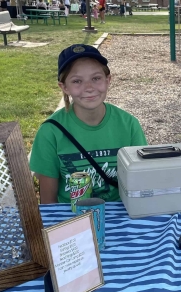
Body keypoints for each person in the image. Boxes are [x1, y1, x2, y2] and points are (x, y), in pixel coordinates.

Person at [30, 44, 147, 204]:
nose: (89, 88)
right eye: (77, 81)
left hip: (122, 213)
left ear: (108, 80)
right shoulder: (50, 132)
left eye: (96, 78)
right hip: (72, 219)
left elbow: (141, 184)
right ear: (64, 87)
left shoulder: (129, 124)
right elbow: (49, 204)